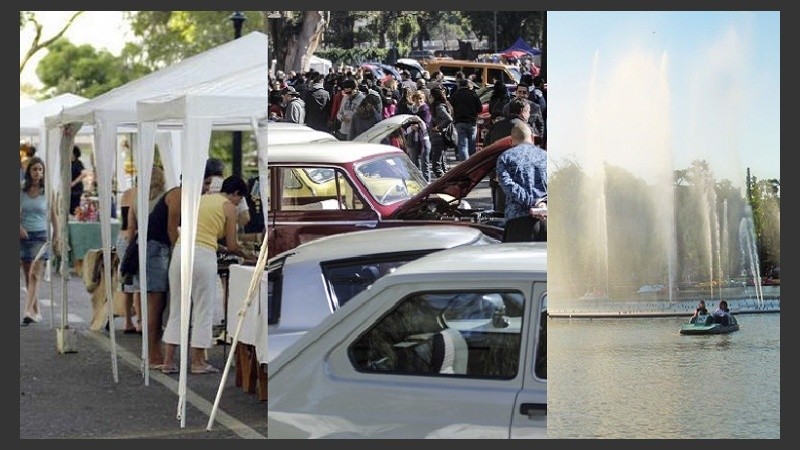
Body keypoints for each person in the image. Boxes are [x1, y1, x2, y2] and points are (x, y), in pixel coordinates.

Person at [161, 176, 250, 375]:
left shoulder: (201, 199)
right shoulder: (229, 207)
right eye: (239, 198)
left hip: (180, 251)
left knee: (177, 308)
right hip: (203, 257)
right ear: (235, 193)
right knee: (203, 308)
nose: (237, 203)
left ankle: (168, 361)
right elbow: (233, 245)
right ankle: (198, 361)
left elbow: (199, 231)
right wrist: (248, 255)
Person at [20, 157, 57, 325]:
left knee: (35, 274)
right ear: (29, 171)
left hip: (41, 236)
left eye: (40, 170)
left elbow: (53, 215)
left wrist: (56, 235)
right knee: (27, 276)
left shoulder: (48, 191)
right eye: (34, 169)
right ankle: (36, 311)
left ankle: (27, 311)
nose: (37, 172)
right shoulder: (21, 189)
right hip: (23, 236)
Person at [496, 122, 547, 242]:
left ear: (512, 141)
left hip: (518, 221)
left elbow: (509, 187)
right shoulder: (546, 156)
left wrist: (533, 202)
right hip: (548, 219)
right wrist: (542, 203)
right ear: (532, 138)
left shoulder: (505, 158)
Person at [449, 77, 483, 161]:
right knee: (472, 146)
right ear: (469, 86)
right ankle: (472, 164)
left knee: (462, 145)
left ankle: (464, 164)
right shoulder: (473, 94)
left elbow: (450, 108)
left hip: (460, 122)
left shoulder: (455, 95)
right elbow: (480, 109)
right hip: (472, 122)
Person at [429, 87, 455, 177]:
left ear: (433, 96)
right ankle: (445, 179)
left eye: (430, 95)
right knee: (442, 161)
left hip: (438, 136)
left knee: (436, 164)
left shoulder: (439, 107)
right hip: (440, 136)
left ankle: (442, 182)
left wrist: (438, 127)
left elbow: (449, 119)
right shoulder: (443, 105)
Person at [70, 145, 87, 215]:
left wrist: (74, 182)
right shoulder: (68, 163)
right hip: (70, 190)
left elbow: (84, 173)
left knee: (74, 207)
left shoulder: (78, 163)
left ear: (74, 154)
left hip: (76, 190)